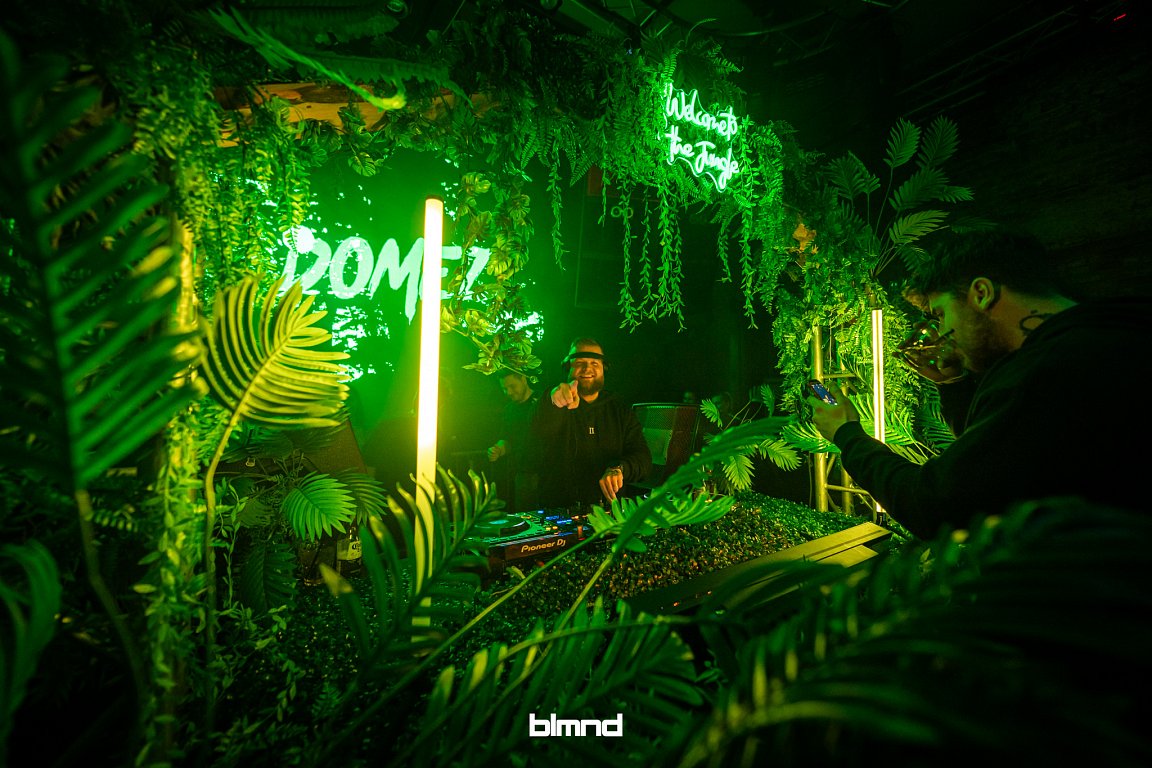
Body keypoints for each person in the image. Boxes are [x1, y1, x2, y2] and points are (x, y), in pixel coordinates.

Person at [809, 229, 1152, 540]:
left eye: (941, 313)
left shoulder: (1045, 373)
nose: (942, 332)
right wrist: (954, 384)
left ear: (982, 293)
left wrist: (846, 433)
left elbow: (937, 504)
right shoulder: (1111, 335)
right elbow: (994, 463)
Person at [525, 337, 652, 509]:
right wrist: (553, 400)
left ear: (604, 368)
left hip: (609, 512)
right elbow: (539, 426)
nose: (587, 369)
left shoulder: (620, 409)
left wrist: (620, 469)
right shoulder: (552, 403)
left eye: (594, 363)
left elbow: (643, 458)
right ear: (568, 368)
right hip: (559, 509)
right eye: (580, 363)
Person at [486, 369, 539, 511]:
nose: (508, 392)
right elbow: (507, 439)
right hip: (522, 476)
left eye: (512, 386)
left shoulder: (542, 401)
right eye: (504, 388)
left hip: (547, 474)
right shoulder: (509, 409)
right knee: (526, 517)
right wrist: (498, 449)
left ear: (523, 379)